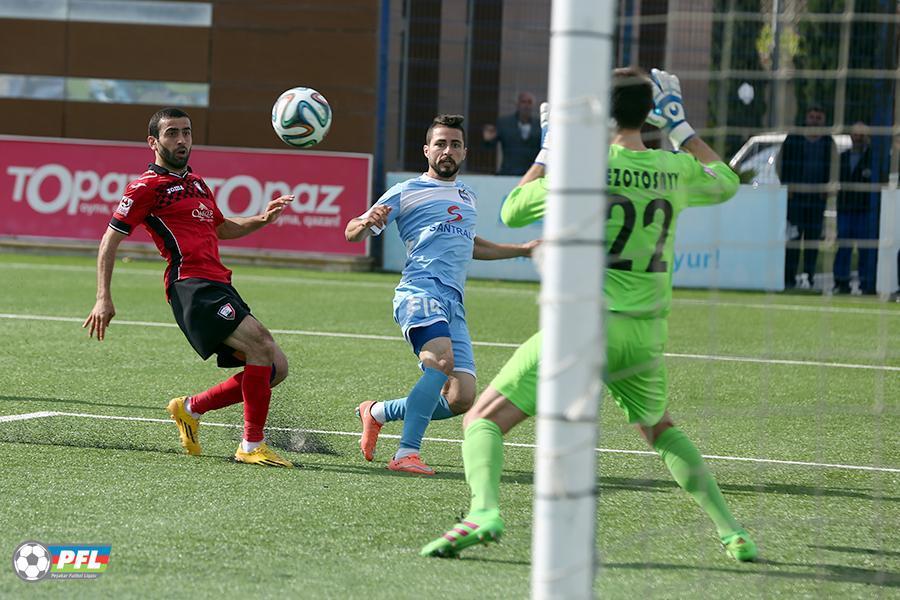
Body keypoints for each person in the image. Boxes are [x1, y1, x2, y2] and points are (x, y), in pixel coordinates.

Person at [421, 68, 757, 562]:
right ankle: (733, 532)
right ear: (650, 112)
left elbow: (513, 210)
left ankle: (484, 512)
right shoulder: (673, 167)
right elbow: (728, 181)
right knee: (661, 430)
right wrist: (680, 128)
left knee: (481, 419)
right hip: (643, 334)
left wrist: (550, 147)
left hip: (581, 327)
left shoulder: (584, 168)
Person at [83, 107, 295, 468]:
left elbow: (221, 227)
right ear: (153, 142)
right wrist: (103, 297)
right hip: (191, 286)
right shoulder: (146, 188)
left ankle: (190, 408)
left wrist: (263, 218)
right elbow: (110, 239)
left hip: (219, 282)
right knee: (260, 343)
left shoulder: (196, 183)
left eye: (186, 132)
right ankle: (251, 445)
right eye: (171, 133)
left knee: (276, 368)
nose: (181, 140)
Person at [344, 114, 538, 476]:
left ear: (464, 152)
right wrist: (366, 223)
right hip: (420, 289)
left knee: (462, 397)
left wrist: (523, 249)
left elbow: (470, 245)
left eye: (455, 144)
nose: (447, 151)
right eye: (440, 144)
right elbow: (351, 231)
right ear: (426, 150)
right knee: (440, 362)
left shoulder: (467, 196)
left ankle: (378, 412)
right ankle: (406, 453)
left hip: (454, 301)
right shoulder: (406, 191)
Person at [776, 103, 837, 290]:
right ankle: (789, 278)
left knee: (812, 241)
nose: (815, 121)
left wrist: (829, 187)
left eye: (818, 118)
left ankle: (809, 277)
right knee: (792, 239)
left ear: (824, 120)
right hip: (795, 199)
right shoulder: (793, 138)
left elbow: (836, 167)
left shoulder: (828, 142)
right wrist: (786, 186)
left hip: (817, 200)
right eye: (812, 117)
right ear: (806, 118)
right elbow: (780, 163)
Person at [833, 122, 884, 295]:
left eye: (862, 134)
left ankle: (866, 283)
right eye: (855, 134)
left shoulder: (874, 159)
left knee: (865, 248)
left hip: (865, 210)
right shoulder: (843, 157)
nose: (858, 137)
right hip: (845, 209)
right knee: (844, 247)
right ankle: (841, 282)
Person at [482, 92, 543, 176]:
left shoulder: (539, 125)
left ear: (533, 105)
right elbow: (489, 146)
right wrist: (488, 140)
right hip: (509, 172)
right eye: (523, 102)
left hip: (531, 173)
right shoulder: (504, 123)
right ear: (517, 104)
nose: (526, 105)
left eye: (529, 102)